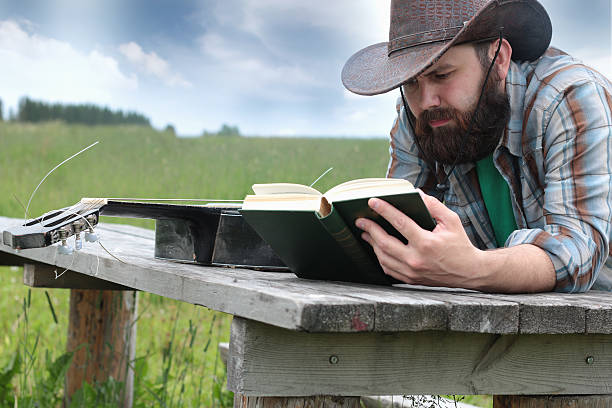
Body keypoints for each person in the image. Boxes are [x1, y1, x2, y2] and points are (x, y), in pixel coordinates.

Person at [342, 0, 612, 293]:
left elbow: (578, 253)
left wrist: (470, 268)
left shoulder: (569, 98)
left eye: (441, 75)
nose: (427, 100)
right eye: (411, 83)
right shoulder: (420, 116)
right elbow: (398, 226)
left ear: (498, 60)